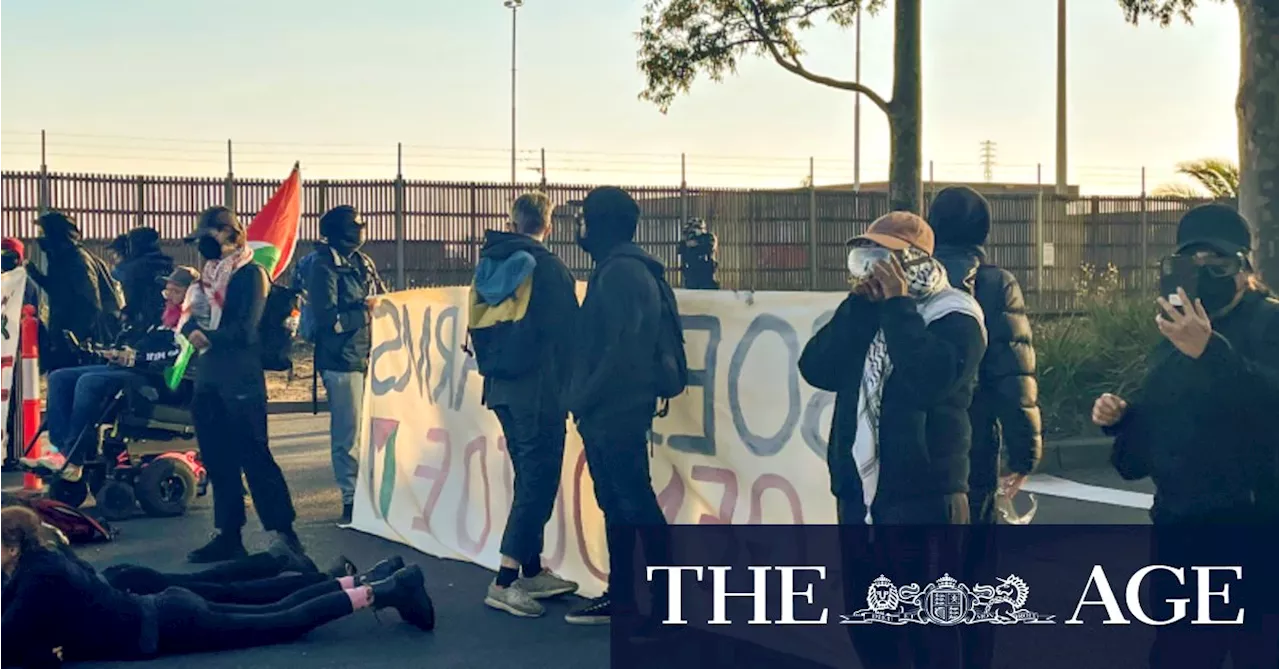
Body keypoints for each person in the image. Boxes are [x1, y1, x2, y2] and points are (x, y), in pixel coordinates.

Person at [1093, 204, 1280, 668]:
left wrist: (1210, 352)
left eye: (1216, 263)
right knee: (1181, 654)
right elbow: (1139, 458)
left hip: (1254, 530)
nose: (1204, 274)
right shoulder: (1172, 337)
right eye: (1190, 262)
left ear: (1243, 269)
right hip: (1182, 534)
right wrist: (1123, 421)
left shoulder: (1269, 323)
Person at [799, 212, 986, 669]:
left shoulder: (956, 315)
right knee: (869, 625)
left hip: (924, 494)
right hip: (861, 494)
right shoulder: (868, 312)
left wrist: (900, 306)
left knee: (929, 635)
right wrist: (860, 306)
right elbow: (817, 367)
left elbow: (929, 380)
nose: (872, 266)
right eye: (866, 254)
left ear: (914, 259)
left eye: (884, 255)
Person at [0, 506, 434, 667]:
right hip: (165, 610)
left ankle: (383, 589)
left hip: (165, 625)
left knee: (282, 621)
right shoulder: (45, 560)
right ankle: (369, 582)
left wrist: (43, 650)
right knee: (276, 612)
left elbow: (10, 636)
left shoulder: (39, 576)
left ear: (11, 546)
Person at [563, 186, 673, 626]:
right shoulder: (621, 269)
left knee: (634, 502)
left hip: (616, 409)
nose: (579, 228)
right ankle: (625, 595)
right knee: (617, 500)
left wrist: (582, 396)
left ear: (601, 225)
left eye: (585, 218)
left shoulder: (622, 274)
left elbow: (622, 350)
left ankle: (663, 603)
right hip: (610, 408)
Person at [470, 193, 580, 618]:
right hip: (539, 390)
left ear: (513, 222)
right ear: (547, 226)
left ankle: (532, 570)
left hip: (500, 387)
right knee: (538, 480)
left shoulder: (488, 265)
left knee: (526, 474)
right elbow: (570, 331)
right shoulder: (549, 269)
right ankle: (505, 579)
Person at [181, 206, 303, 564]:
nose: (203, 244)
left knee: (254, 456)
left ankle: (285, 535)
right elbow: (186, 316)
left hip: (240, 377)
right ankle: (228, 534)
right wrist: (191, 330)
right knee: (218, 459)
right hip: (209, 377)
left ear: (229, 233)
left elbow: (245, 329)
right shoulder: (206, 277)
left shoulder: (251, 274)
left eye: (209, 235)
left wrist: (209, 336)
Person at [19, 266, 199, 482]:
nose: (168, 296)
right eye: (167, 291)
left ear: (190, 295)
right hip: (135, 368)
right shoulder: (162, 318)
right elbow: (143, 344)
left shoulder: (193, 321)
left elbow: (174, 355)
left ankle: (72, 458)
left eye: (175, 292)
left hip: (159, 380)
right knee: (60, 377)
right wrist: (118, 351)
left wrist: (135, 357)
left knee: (89, 382)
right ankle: (61, 449)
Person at [929, 186, 1042, 524]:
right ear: (983, 231)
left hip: (903, 440)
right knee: (970, 553)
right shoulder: (994, 284)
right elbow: (1013, 377)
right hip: (971, 437)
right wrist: (1024, 456)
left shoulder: (907, 281)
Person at [305, 206, 385, 524]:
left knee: (371, 430)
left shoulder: (361, 262)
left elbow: (380, 297)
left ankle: (371, 493)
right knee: (347, 433)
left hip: (367, 355)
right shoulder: (323, 267)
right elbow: (329, 321)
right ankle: (351, 498)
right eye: (355, 226)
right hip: (340, 360)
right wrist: (365, 313)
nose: (361, 230)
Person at [26, 211, 119, 371]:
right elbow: (61, 291)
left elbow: (90, 303)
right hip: (65, 335)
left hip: (77, 342)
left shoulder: (77, 260)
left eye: (43, 232)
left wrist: (75, 339)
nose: (40, 237)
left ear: (55, 234)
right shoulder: (62, 259)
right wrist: (37, 275)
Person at [115, 227, 174, 332]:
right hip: (168, 318)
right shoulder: (166, 263)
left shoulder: (131, 268)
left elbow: (130, 298)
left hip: (141, 322)